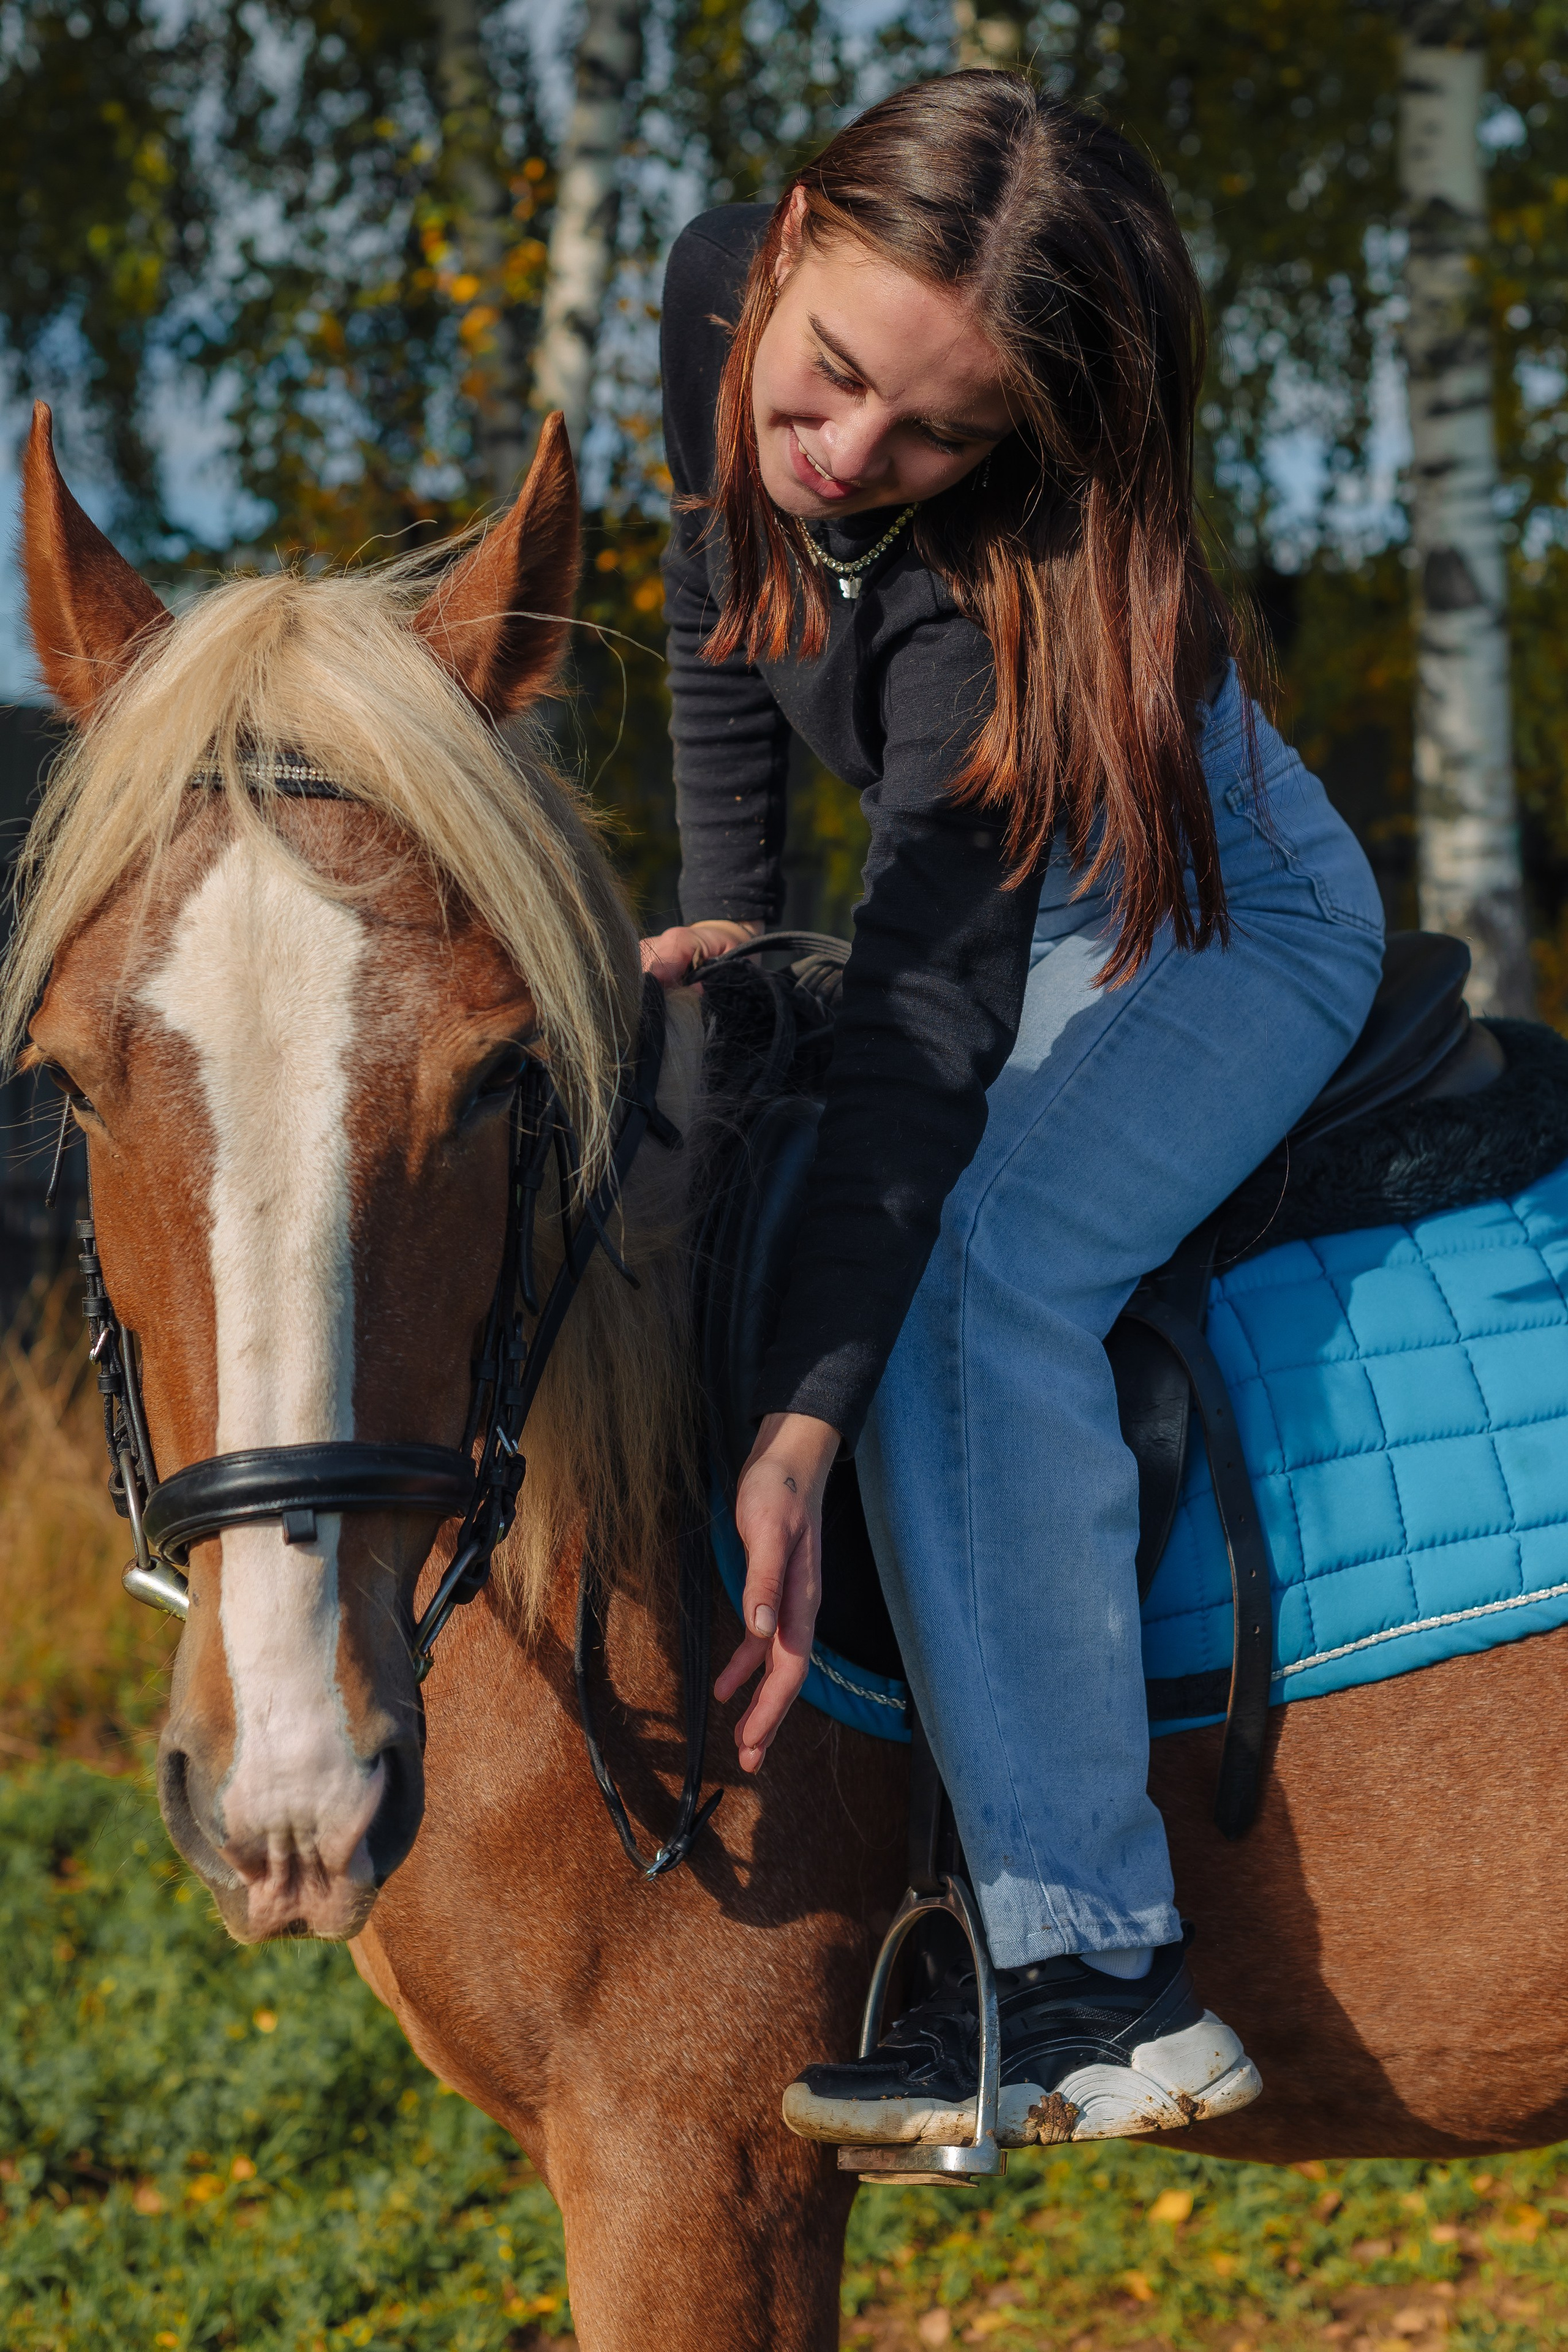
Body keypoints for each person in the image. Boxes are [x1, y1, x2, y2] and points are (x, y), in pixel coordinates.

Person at [641, 71, 1385, 2150]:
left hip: (1204, 912)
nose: (845, 454)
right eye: (833, 375)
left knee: (974, 1276)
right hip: (973, 892)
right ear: (787, 242)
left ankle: (1094, 1977)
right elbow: (723, 598)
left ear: (1017, 448)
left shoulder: (995, 610)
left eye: (936, 435)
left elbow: (921, 1045)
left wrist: (803, 1424)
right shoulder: (710, 293)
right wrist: (732, 921)